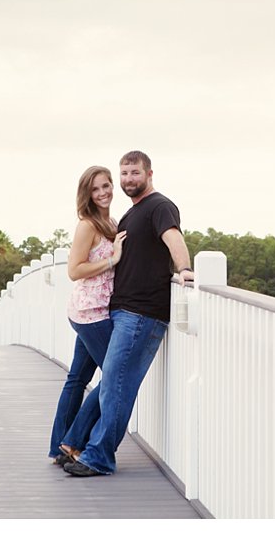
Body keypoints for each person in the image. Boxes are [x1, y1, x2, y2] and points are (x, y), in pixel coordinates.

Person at [64, 150, 194, 477]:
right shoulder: (130, 214)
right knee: (111, 383)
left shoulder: (159, 206)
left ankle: (98, 458)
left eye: (134, 173)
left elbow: (174, 238)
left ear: (149, 174)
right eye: (124, 174)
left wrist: (186, 269)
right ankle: (76, 444)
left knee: (116, 384)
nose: (128, 180)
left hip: (142, 315)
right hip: (121, 313)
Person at [48, 166, 126, 464]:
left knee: (77, 379)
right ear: (87, 194)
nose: (104, 192)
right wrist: (111, 260)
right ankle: (74, 440)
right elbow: (74, 270)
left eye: (107, 186)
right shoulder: (88, 225)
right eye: (96, 189)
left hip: (99, 309)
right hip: (89, 313)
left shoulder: (111, 222)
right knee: (115, 376)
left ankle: (60, 448)